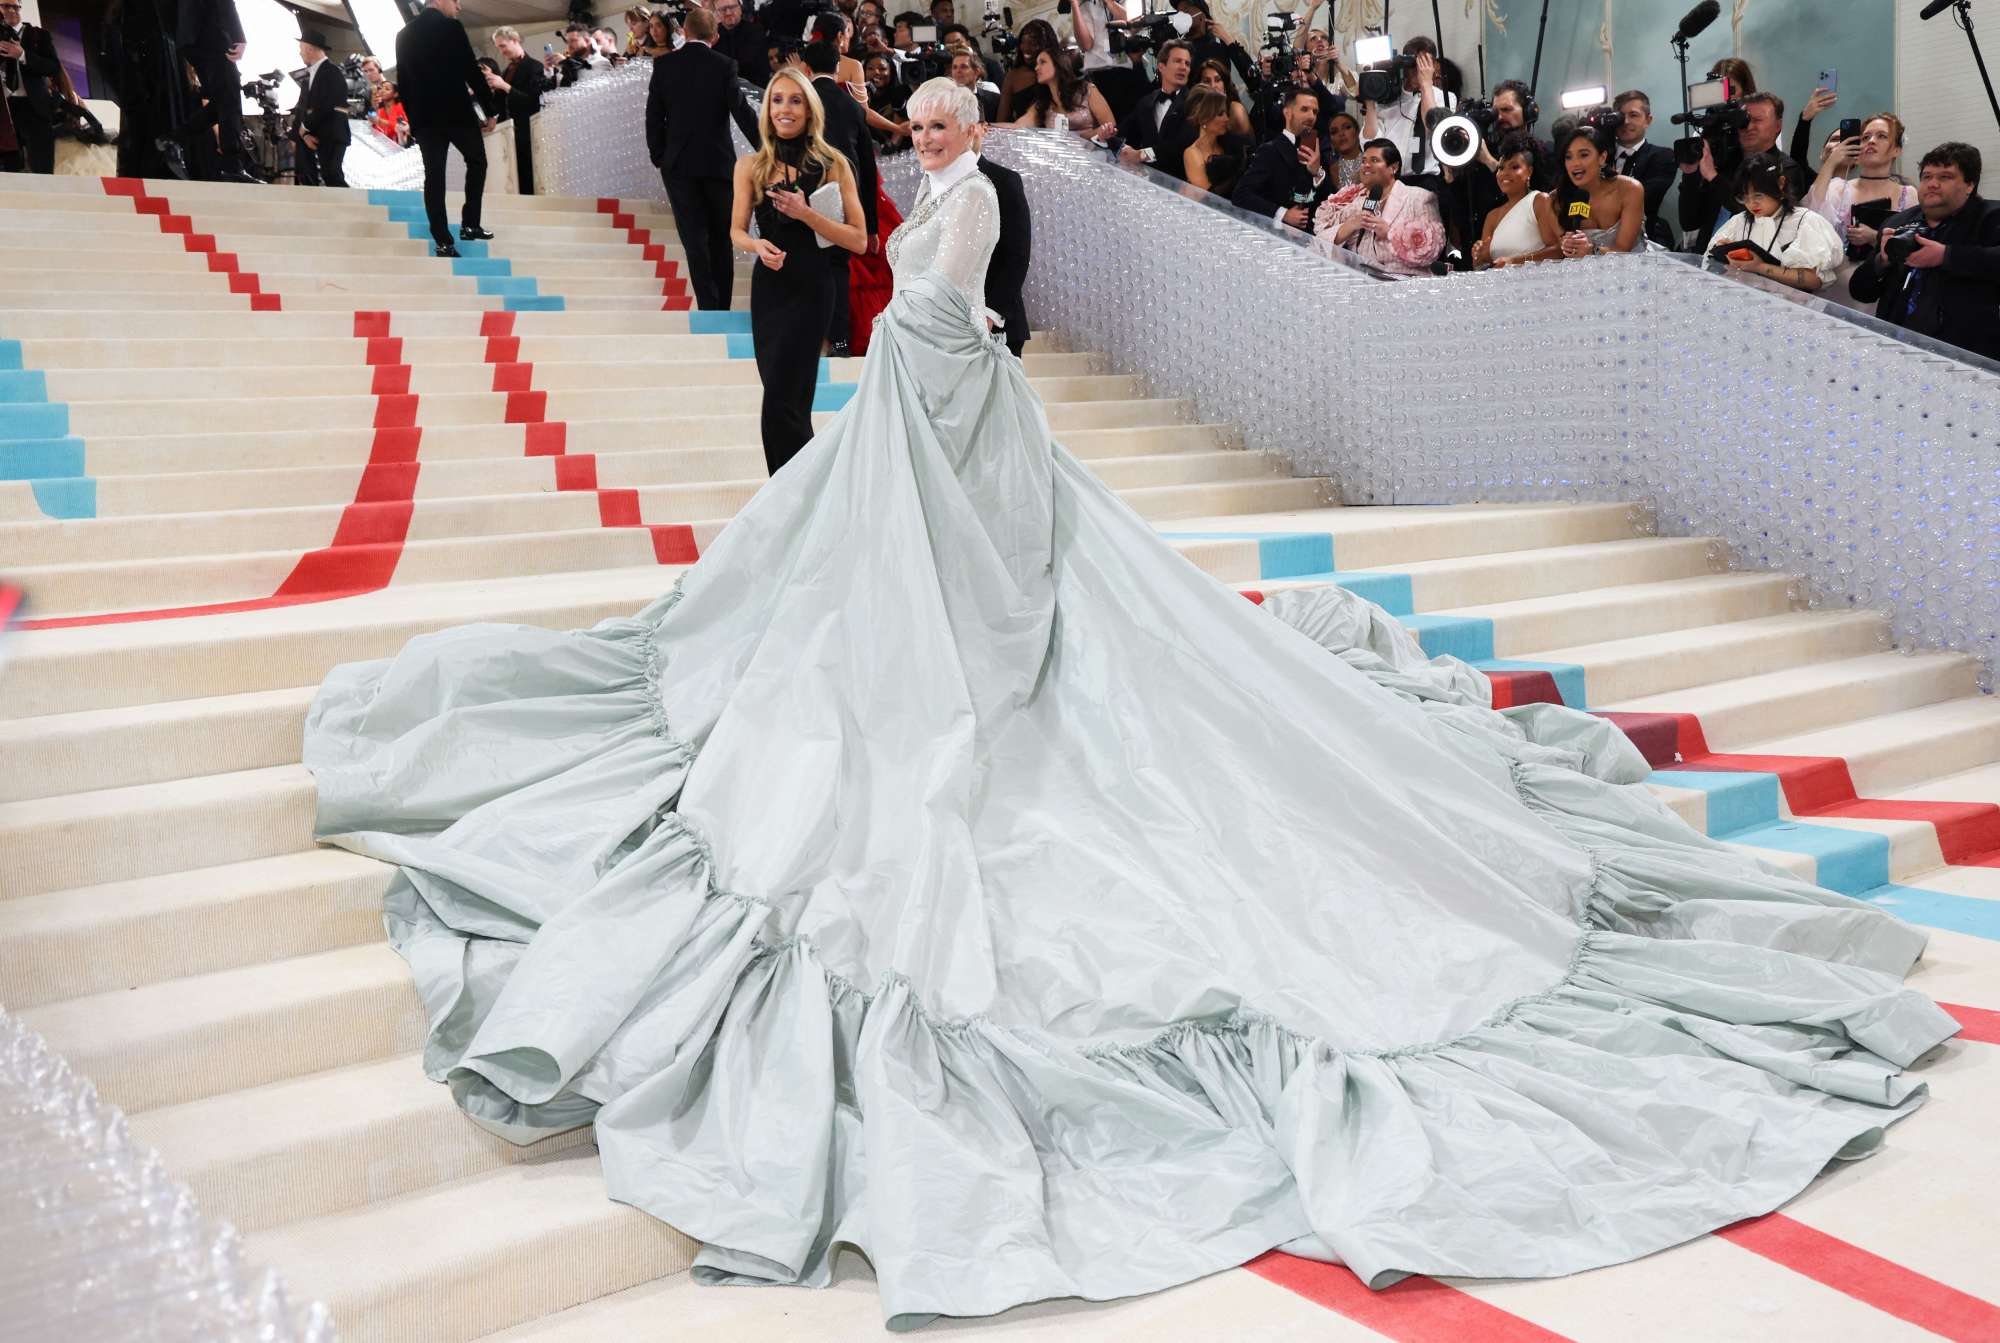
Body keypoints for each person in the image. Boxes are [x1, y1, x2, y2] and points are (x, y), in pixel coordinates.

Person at [728, 66, 866, 472]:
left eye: (795, 101)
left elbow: (858, 240)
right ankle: (800, 491)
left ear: (809, 110)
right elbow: (736, 231)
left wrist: (806, 214)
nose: (784, 109)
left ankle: (792, 491)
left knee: (784, 403)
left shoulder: (833, 164)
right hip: (769, 290)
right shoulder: (749, 166)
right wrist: (756, 245)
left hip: (812, 289)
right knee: (780, 396)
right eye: (776, 100)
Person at [649, 6, 757, 311]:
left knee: (693, 239)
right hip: (718, 164)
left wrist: (659, 155)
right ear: (715, 36)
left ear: (684, 32)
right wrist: (767, 148)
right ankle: (722, 306)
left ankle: (708, 307)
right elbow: (742, 111)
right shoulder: (724, 65)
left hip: (678, 165)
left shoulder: (664, 65)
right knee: (722, 237)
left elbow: (653, 116)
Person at [1850, 141, 2000, 362]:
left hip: (1964, 358)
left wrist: (1946, 256)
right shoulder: (1897, 223)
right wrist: (1882, 261)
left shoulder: (1991, 218)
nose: (1933, 184)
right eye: (1927, 177)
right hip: (1895, 352)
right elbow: (1860, 291)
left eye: (1945, 177)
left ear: (1970, 184)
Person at [396, 0, 495, 258]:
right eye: (455, 1)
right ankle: (470, 224)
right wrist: (490, 109)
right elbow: (470, 70)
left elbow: (404, 83)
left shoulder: (403, 34)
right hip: (456, 113)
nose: (458, 7)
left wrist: (415, 121)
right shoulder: (452, 27)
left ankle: (442, 241)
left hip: (425, 120)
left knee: (434, 176)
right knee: (477, 162)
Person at [802, 38, 881, 354]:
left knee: (805, 265)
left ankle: (810, 337)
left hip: (805, 194)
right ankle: (840, 339)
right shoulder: (853, 107)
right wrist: (871, 226)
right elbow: (868, 167)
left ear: (806, 68)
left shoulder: (800, 101)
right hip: (846, 197)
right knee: (837, 268)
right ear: (838, 67)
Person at [1706, 151, 1844, 293]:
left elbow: (1814, 281)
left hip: (1789, 303)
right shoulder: (1738, 221)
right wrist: (1725, 253)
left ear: (1781, 183)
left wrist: (1760, 267)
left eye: (1758, 195)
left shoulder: (1806, 221)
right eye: (1744, 197)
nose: (1752, 203)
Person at [1680, 89, 1798, 253]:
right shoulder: (1723, 164)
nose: (1748, 126)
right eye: (1744, 120)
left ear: (1778, 126)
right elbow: (1689, 222)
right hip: (1706, 255)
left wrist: (1713, 177)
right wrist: (1690, 174)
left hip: (1753, 260)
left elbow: (1755, 216)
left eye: (1757, 120)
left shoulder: (1785, 168)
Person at [1315, 136, 1445, 274]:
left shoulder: (1420, 198)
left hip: (1407, 281)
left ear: (1393, 167)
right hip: (1363, 279)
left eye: (1374, 160)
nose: (1366, 165)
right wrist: (1349, 225)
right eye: (1363, 161)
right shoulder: (1357, 202)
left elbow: (1433, 250)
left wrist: (1389, 233)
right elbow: (1318, 244)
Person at [1521, 119, 1644, 261]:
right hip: (1582, 271)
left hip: (1636, 265)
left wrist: (1592, 250)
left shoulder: (1630, 189)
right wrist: (1568, 245)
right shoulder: (1555, 200)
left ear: (1602, 157)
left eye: (1584, 155)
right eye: (1568, 157)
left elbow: (1624, 250)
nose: (1575, 163)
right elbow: (1563, 252)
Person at [175, 0, 254, 181]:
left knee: (224, 98)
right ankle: (232, 166)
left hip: (191, 34)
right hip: (211, 31)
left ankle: (173, 139)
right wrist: (237, 35)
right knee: (230, 97)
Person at [1233, 86, 1327, 230]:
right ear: (1287, 113)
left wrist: (1317, 173)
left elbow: (1327, 199)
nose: (1311, 116)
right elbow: (1241, 194)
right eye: (1304, 109)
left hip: (1311, 235)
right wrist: (1282, 214)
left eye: (1315, 112)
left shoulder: (1317, 149)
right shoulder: (1270, 150)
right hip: (1276, 234)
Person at [1359, 36, 1452, 177]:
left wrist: (1426, 84)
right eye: (1413, 64)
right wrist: (1370, 101)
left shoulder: (1445, 97)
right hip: (1390, 178)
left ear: (1434, 65)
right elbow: (1369, 143)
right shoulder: (1387, 97)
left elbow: (1434, 129)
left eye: (1424, 63)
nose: (1417, 69)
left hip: (1426, 178)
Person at [974, 128, 1030, 355]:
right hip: (948, 324)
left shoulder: (1005, 180)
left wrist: (990, 314)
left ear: (982, 128)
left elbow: (1017, 255)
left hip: (998, 326)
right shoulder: (934, 182)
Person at [1607, 89, 1675, 247]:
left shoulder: (1662, 156)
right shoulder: (1600, 156)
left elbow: (1646, 200)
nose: (1626, 122)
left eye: (1634, 115)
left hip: (1643, 241)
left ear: (1648, 120)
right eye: (1620, 116)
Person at [1114, 37, 1191, 177]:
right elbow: (1123, 131)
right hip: (1147, 179)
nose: (1183, 67)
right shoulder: (1146, 102)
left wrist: (1141, 155)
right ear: (1161, 67)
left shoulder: (1194, 102)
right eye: (1177, 61)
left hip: (1181, 180)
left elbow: (1180, 147)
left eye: (1187, 63)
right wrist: (1106, 136)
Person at [0, 0, 60, 173]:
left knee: (42, 168)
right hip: (4, 111)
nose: (11, 10)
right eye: (5, 6)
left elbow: (53, 67)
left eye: (15, 6)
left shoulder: (39, 35)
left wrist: (23, 55)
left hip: (34, 108)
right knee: (8, 172)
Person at [487, 26, 547, 195]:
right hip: (510, 136)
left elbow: (532, 101)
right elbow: (499, 103)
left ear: (515, 40)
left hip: (527, 135)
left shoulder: (534, 66)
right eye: (498, 47)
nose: (501, 51)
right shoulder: (507, 71)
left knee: (528, 182)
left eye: (503, 46)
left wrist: (504, 86)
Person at [1007, 45, 1112, 143]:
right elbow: (1018, 126)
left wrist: (1078, 138)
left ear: (1058, 64)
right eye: (1036, 64)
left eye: (1042, 62)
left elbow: (1110, 125)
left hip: (1092, 152)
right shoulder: (1043, 103)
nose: (1036, 68)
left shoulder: (1086, 90)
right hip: (1059, 154)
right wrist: (996, 127)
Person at [1470, 135, 1543, 269]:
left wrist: (1515, 261)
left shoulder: (1539, 201)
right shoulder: (1492, 216)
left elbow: (1557, 250)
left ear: (1529, 172)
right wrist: (1478, 255)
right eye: (1501, 168)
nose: (1505, 173)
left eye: (1514, 167)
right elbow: (1481, 266)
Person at [290, 28, 350, 188]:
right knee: (310, 176)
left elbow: (328, 105)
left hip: (332, 133)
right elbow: (302, 106)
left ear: (309, 48)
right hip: (314, 135)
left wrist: (305, 127)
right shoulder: (308, 76)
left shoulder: (332, 72)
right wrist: (298, 135)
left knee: (332, 175)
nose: (300, 53)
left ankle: (350, 204)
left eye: (301, 49)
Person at [1179, 86, 1242, 197]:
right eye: (1220, 114)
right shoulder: (1192, 153)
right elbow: (1207, 197)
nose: (1226, 119)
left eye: (1226, 113)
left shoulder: (1229, 144)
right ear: (1204, 118)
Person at [993, 17, 1055, 122]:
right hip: (1023, 129)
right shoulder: (1013, 76)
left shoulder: (1057, 71)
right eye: (1023, 42)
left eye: (1033, 43)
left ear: (1046, 45)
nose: (1026, 47)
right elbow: (1002, 119)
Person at [1192, 57, 1253, 141]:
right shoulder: (1196, 113)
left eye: (1218, 80)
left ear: (1225, 85)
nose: (1213, 86)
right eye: (1207, 81)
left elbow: (1248, 146)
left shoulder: (1236, 110)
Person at [714, 0, 768, 85]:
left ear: (740, 9)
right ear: (717, 13)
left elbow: (748, 64)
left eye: (732, 7)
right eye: (722, 9)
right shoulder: (712, 33)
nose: (728, 13)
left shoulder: (756, 31)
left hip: (752, 85)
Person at [1070, 0, 1125, 74]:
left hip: (1127, 61)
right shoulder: (1084, 6)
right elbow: (1086, 45)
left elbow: (1132, 25)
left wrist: (1109, 2)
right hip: (1099, 69)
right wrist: (1074, 5)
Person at [948, 48, 996, 123]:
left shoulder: (994, 99)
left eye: (963, 67)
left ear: (976, 72)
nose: (958, 71)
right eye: (954, 67)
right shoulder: (945, 100)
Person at [1327, 109, 1363, 189]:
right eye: (1334, 132)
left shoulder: (1371, 160)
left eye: (1347, 127)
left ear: (1357, 131)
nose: (1341, 134)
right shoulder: (1333, 170)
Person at [370, 80, 409, 145]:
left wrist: (380, 121)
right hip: (385, 146)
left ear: (395, 94)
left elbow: (403, 128)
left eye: (387, 89)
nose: (382, 91)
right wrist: (374, 107)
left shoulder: (401, 107)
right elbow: (375, 128)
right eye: (381, 88)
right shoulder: (380, 110)